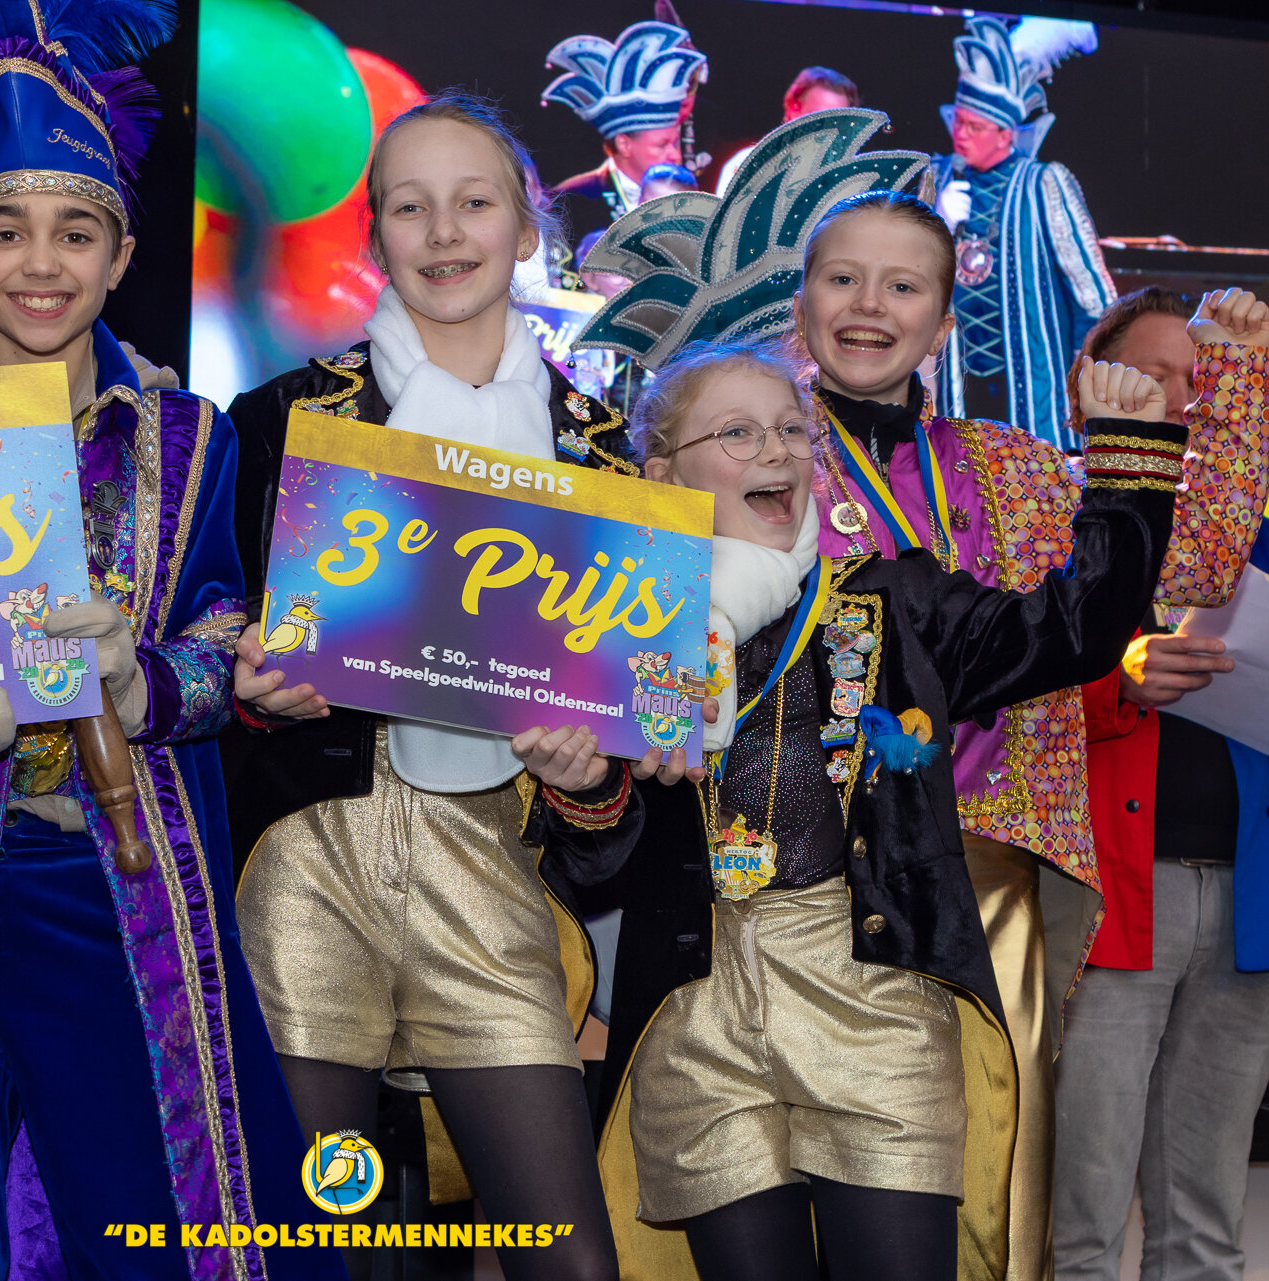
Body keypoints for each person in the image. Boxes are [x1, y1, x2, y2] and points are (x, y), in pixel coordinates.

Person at [573, 107, 1269, 1281]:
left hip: (987, 874)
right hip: (778, 880)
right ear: (801, 305)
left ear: (945, 323)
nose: (868, 304)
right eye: (842, 278)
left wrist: (1234, 381)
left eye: (904, 287)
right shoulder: (749, 451)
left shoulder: (1009, 466)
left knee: (981, 1203)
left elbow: (1189, 567)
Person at [0, 4, 344, 1279]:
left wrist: (140, 681)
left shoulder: (191, 438)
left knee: (152, 1211)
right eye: (6, 231)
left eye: (75, 233)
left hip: (118, 872)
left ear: (120, 256)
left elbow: (222, 642)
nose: (40, 263)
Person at [553, 332, 1179, 1281]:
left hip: (875, 1002)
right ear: (661, 472)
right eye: (736, 433)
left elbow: (1074, 627)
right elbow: (591, 862)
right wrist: (583, 783)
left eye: (790, 430)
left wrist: (1128, 464)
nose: (775, 450)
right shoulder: (613, 631)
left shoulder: (896, 602)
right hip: (696, 1015)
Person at [222, 92, 660, 1281]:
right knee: (307, 1254)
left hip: (492, 872)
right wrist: (247, 682)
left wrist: (589, 776)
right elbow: (208, 643)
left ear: (527, 227)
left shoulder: (605, 455)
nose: (445, 231)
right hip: (310, 867)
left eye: (475, 202)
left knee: (570, 1260)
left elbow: (631, 759)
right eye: (410, 207)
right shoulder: (278, 422)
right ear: (375, 236)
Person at [1053, 287, 1269, 1281]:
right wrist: (1117, 675)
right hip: (1105, 899)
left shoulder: (1252, 530)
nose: (1184, 399)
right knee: (1080, 1220)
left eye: (1206, 376)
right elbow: (986, 704)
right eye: (1155, 375)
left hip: (1248, 902)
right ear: (1086, 386)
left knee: (1206, 1224)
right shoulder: (1049, 515)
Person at [930, 17, 1116, 443]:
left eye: (975, 127)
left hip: (1035, 393)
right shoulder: (936, 180)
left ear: (1005, 133)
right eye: (958, 122)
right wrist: (935, 221)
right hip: (956, 387)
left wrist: (1088, 383)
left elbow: (1092, 293)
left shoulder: (1044, 182)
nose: (961, 135)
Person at [542, 20, 708, 224]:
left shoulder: (687, 193)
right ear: (624, 144)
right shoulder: (571, 202)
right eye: (662, 145)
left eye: (674, 143)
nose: (675, 155)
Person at [715, 66, 859, 197]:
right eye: (819, 118)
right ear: (793, 110)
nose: (829, 129)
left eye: (839, 120)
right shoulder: (748, 164)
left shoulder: (854, 175)